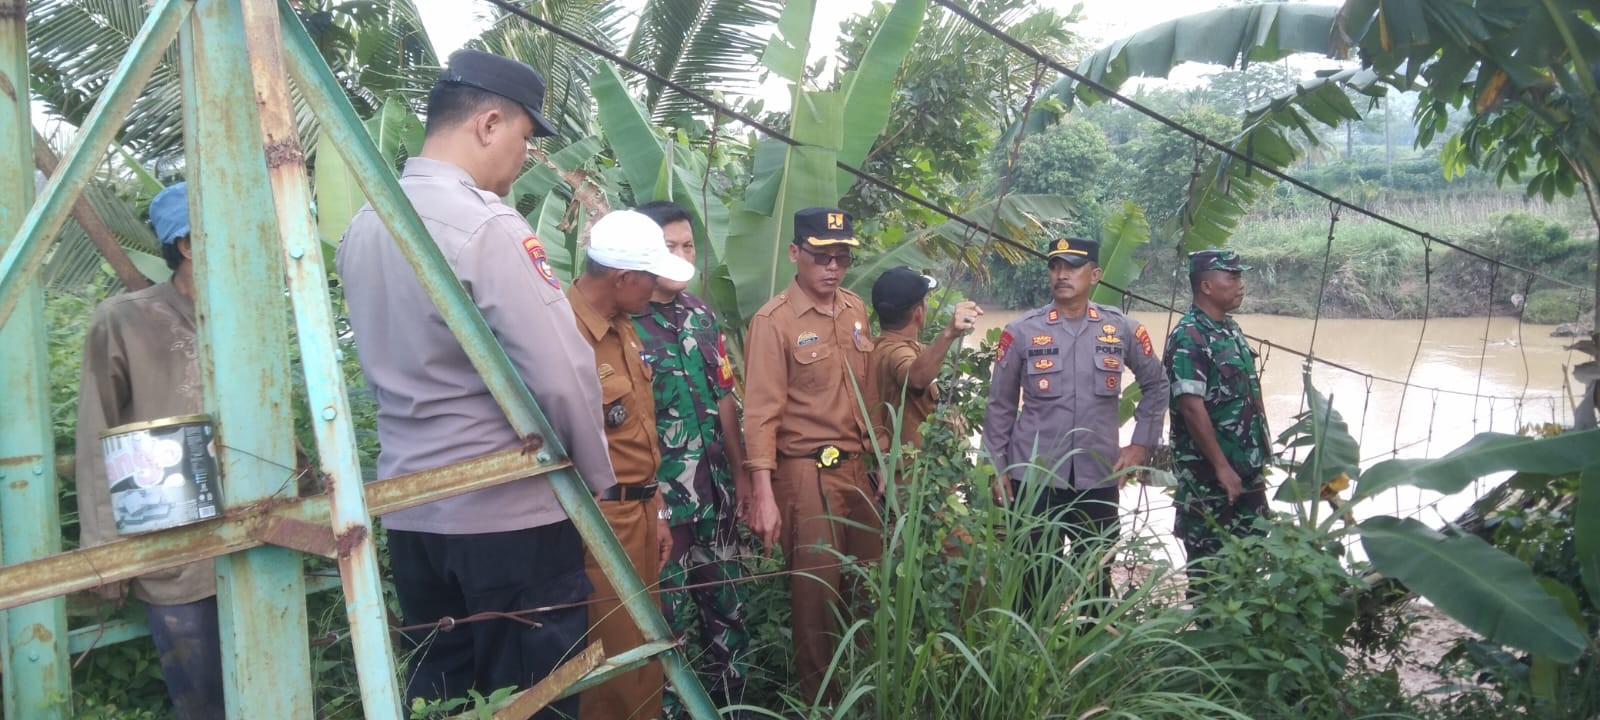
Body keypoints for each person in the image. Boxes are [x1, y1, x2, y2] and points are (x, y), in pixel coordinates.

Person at [336, 49, 615, 716]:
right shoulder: (485, 224)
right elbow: (561, 370)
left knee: (445, 699)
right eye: (524, 138)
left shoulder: (365, 223)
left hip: (413, 517)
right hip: (507, 519)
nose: (523, 158)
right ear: (489, 124)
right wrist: (598, 485)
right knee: (536, 699)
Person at [74, 182, 224, 719]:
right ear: (184, 243)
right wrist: (105, 550)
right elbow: (97, 434)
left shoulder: (245, 317)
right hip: (175, 554)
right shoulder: (124, 320)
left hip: (259, 540)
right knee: (204, 701)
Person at [981, 237, 1168, 611]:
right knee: (1032, 579)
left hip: (1097, 475)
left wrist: (1139, 445)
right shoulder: (1021, 332)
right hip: (1034, 478)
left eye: (1072, 266)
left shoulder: (1122, 330)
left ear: (1095, 274)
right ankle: (1028, 658)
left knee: (1095, 577)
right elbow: (1000, 405)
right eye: (1054, 266)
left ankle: (1088, 656)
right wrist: (996, 466)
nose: (1061, 274)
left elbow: (1157, 385)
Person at [742, 206, 882, 701]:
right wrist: (763, 494)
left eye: (842, 258)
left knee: (869, 588)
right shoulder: (773, 322)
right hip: (807, 475)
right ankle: (821, 706)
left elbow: (869, 392)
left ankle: (864, 696)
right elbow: (759, 412)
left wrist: (881, 457)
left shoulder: (855, 309)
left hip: (859, 471)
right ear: (795, 253)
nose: (833, 268)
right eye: (822, 256)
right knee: (816, 603)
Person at [566, 209, 693, 720]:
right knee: (614, 658)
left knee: (646, 645)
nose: (658, 287)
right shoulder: (564, 331)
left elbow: (637, 436)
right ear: (622, 277)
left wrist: (657, 507)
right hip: (601, 520)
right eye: (650, 276)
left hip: (641, 513)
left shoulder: (623, 328)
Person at [631, 200, 755, 717]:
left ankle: (737, 706)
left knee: (729, 615)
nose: (681, 255)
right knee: (667, 625)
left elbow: (724, 398)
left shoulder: (701, 316)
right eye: (669, 247)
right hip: (664, 508)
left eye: (688, 245)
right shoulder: (627, 322)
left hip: (716, 497)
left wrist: (743, 477)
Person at [1164, 249, 1272, 592]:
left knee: (1251, 560)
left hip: (1246, 472)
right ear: (1207, 286)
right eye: (1233, 277)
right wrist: (1222, 467)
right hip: (1209, 480)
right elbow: (1191, 407)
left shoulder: (1229, 330)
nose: (1240, 285)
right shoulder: (1189, 336)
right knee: (1212, 571)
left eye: (1240, 276)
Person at [867, 267, 982, 449]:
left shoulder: (871, 348)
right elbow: (916, 378)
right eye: (925, 301)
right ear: (919, 313)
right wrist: (949, 333)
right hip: (905, 473)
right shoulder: (897, 352)